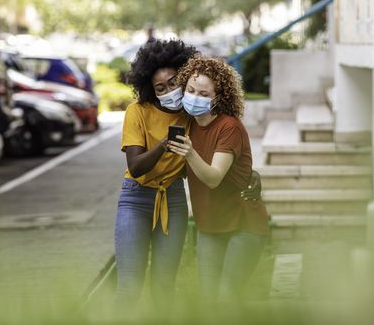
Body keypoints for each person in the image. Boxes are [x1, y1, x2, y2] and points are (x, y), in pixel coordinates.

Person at [168, 55, 270, 303]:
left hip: (243, 224)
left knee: (226, 298)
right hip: (210, 224)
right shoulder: (186, 125)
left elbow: (213, 178)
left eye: (204, 94)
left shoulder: (229, 127)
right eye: (190, 90)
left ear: (219, 97)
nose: (194, 97)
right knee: (208, 300)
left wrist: (190, 153)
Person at [114, 39, 197, 306]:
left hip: (172, 199)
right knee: (129, 285)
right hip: (135, 200)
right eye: (160, 88)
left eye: (174, 82)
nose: (170, 91)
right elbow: (136, 167)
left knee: (164, 287)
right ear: (151, 91)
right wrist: (163, 146)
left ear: (183, 76)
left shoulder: (191, 114)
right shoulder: (136, 112)